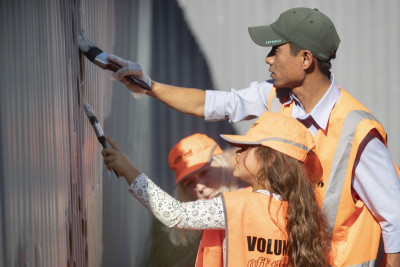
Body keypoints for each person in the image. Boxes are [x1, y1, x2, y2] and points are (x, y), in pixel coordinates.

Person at [107, 7, 400, 266]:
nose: (267, 58)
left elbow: (395, 218)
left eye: (276, 50)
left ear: (306, 59)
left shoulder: (358, 132)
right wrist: (149, 86)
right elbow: (211, 104)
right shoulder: (274, 96)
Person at [102, 112, 329, 266]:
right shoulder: (300, 214)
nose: (236, 153)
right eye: (190, 182)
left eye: (246, 148)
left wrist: (130, 172)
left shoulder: (234, 206)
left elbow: (174, 213)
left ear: (269, 159)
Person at [168, 133, 248, 246]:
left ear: (223, 161)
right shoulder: (207, 217)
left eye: (205, 172)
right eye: (190, 183)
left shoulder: (257, 196)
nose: (199, 187)